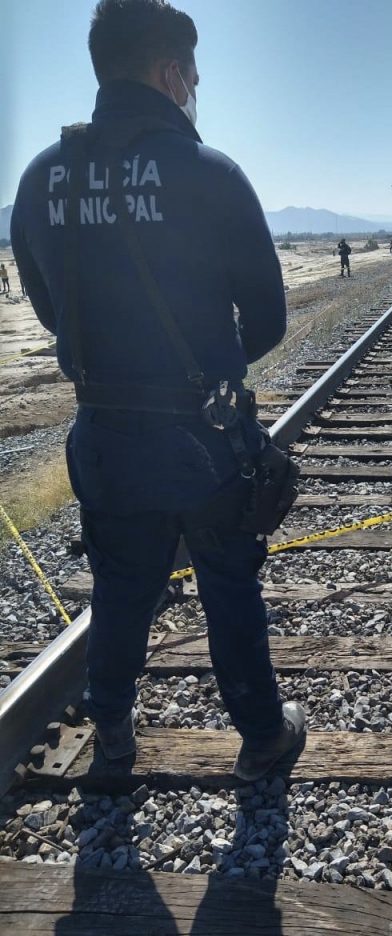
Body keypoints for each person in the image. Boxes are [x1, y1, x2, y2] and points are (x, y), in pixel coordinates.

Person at [11, 0, 305, 779]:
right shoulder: (210, 174)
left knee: (119, 588)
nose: (194, 91)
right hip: (203, 439)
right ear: (171, 71)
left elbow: (50, 311)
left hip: (103, 435)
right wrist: (204, 373)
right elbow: (269, 320)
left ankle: (111, 731)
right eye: (194, 77)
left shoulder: (41, 177)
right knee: (228, 585)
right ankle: (262, 737)